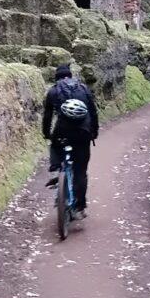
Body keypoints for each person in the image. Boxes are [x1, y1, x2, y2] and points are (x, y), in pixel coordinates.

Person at [42, 64, 98, 219]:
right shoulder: (83, 88)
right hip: (83, 133)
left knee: (55, 144)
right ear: (70, 75)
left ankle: (57, 167)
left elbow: (47, 116)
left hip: (63, 132)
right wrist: (94, 132)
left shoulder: (53, 91)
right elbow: (93, 112)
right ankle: (80, 207)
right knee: (80, 171)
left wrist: (47, 133)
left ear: (57, 77)